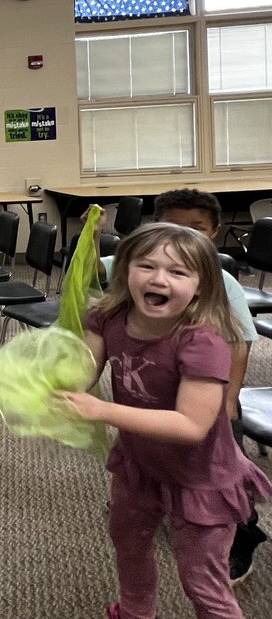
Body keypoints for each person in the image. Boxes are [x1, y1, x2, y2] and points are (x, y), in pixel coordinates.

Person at [62, 222, 271, 619]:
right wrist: (51, 381)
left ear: (201, 285)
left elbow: (191, 426)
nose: (159, 278)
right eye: (147, 265)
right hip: (140, 466)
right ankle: (136, 611)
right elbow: (83, 370)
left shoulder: (203, 342)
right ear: (125, 271)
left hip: (200, 478)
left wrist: (102, 410)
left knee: (201, 579)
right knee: (129, 541)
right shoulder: (110, 318)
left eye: (178, 272)